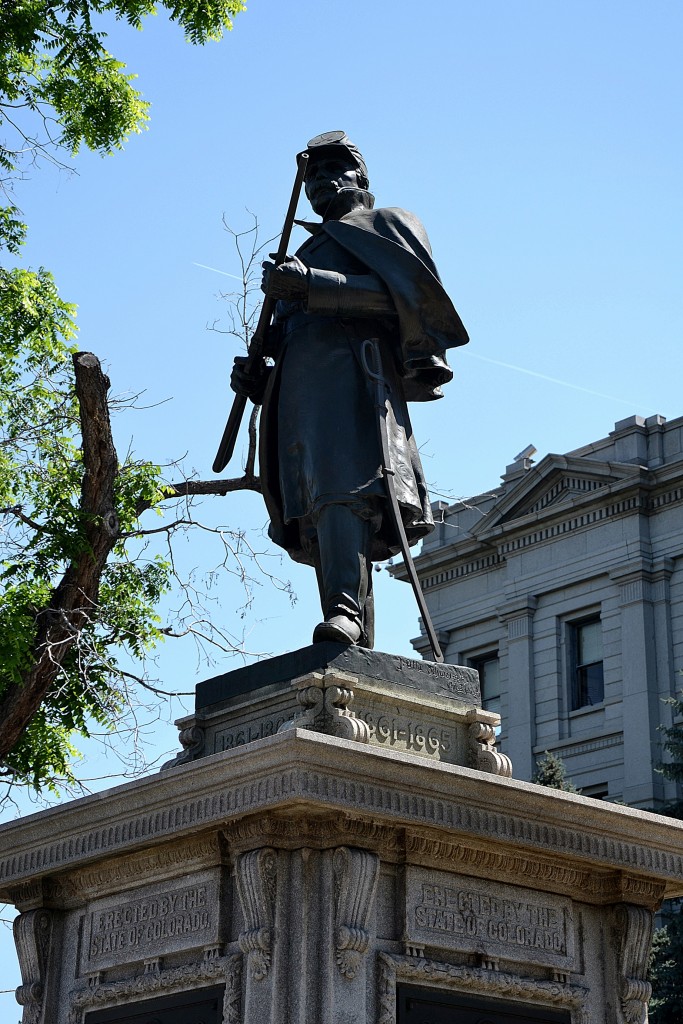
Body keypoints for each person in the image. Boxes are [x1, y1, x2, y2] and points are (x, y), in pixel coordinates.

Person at [230, 131, 468, 649]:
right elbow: (288, 334)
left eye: (330, 171)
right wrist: (259, 375)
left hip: (355, 380)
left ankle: (344, 614)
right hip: (296, 391)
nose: (318, 182)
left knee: (345, 491)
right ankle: (352, 633)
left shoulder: (388, 226)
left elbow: (411, 301)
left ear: (360, 178)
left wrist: (315, 284)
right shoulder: (305, 249)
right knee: (316, 506)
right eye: (312, 175)